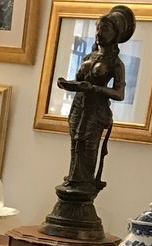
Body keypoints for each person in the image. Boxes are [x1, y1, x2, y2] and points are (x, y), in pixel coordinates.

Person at [56, 5, 134, 194]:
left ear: (115, 34)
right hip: (78, 105)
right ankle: (73, 180)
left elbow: (119, 94)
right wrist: (67, 84)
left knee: (87, 145)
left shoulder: (115, 63)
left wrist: (95, 89)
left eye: (105, 29)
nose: (99, 33)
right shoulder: (88, 56)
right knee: (75, 143)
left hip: (96, 109)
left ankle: (84, 184)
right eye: (98, 28)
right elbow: (79, 81)